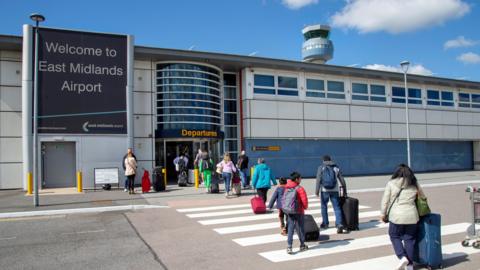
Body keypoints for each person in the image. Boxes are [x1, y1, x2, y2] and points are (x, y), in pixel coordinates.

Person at [380, 164, 425, 270]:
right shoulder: (414, 184)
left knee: (394, 236)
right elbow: (423, 197)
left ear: (397, 173)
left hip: (396, 216)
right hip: (412, 216)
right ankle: (410, 266)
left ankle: (402, 257)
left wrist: (383, 214)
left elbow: (385, 201)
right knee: (409, 239)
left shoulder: (391, 183)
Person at [315, 155, 347, 234]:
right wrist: (345, 190)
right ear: (330, 160)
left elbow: (318, 179)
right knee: (337, 207)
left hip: (324, 190)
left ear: (323, 160)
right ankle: (339, 224)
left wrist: (317, 191)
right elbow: (342, 179)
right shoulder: (336, 167)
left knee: (324, 207)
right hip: (335, 190)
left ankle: (325, 224)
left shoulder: (321, 167)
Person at [285, 172, 308, 254]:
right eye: (300, 178)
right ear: (296, 179)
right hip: (299, 211)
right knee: (300, 228)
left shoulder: (287, 187)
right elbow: (304, 200)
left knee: (290, 228)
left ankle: (289, 247)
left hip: (290, 211)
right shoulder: (300, 188)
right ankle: (302, 245)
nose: (301, 179)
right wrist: (305, 207)